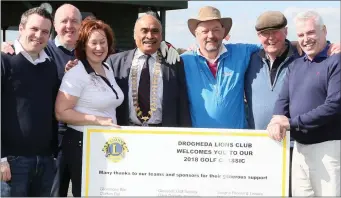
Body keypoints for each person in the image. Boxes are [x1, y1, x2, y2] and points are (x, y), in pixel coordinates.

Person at [268, 11, 340, 196]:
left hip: (328, 149)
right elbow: (283, 100)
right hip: (299, 150)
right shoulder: (296, 65)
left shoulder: (336, 61)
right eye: (301, 35)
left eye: (311, 33)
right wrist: (276, 119)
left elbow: (334, 106)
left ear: (324, 31)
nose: (306, 39)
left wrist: (290, 123)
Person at [55, 19, 123, 197]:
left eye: (103, 42)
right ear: (84, 45)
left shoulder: (107, 68)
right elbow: (61, 112)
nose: (99, 47)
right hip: (80, 143)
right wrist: (97, 120)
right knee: (86, 192)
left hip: (103, 143)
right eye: (93, 43)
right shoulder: (77, 72)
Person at [1, 7, 59, 196]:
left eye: (44, 31)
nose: (38, 35)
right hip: (12, 163)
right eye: (34, 29)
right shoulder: (4, 61)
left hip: (45, 162)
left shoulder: (49, 65)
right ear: (21, 28)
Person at [106, 12, 192, 127]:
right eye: (144, 30)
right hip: (125, 133)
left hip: (163, 134)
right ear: (135, 35)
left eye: (155, 31)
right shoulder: (115, 63)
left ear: (161, 36)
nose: (150, 36)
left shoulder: (173, 63)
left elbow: (182, 104)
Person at [181, 6, 260, 128]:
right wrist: (165, 46)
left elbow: (271, 45)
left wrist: (298, 46)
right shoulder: (184, 60)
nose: (211, 35)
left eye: (216, 29)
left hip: (237, 142)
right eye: (205, 31)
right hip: (199, 142)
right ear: (196, 34)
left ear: (224, 32)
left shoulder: (241, 53)